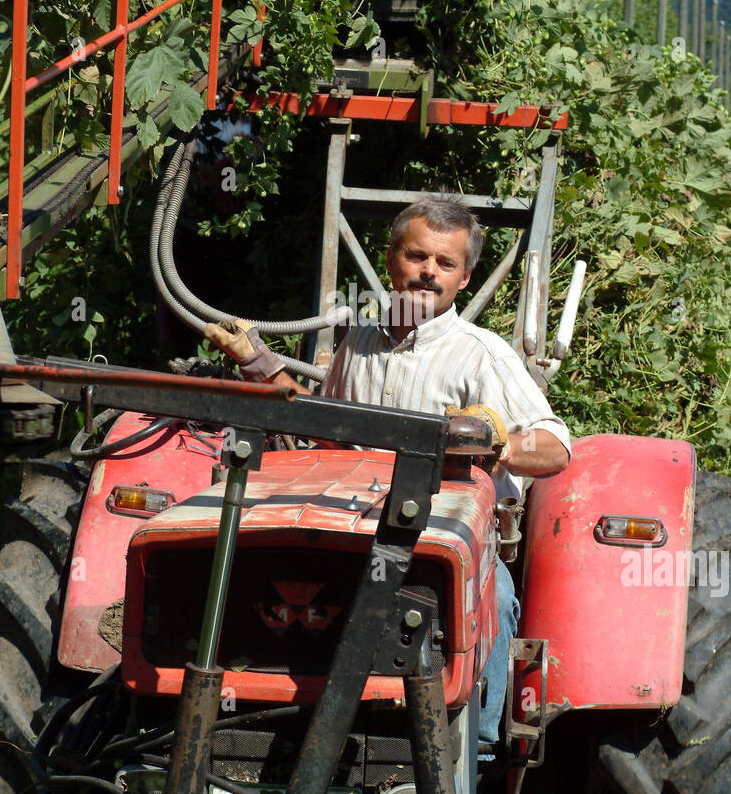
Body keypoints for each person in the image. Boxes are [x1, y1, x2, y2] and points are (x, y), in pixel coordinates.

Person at [206, 194, 571, 750]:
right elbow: (327, 429)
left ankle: (482, 758)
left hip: (443, 544)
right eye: (417, 257)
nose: (428, 273)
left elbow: (555, 448)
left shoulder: (482, 355)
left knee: (490, 599)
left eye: (445, 264)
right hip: (351, 531)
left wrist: (498, 443)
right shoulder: (359, 343)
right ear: (391, 259)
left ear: (465, 277)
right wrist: (260, 364)